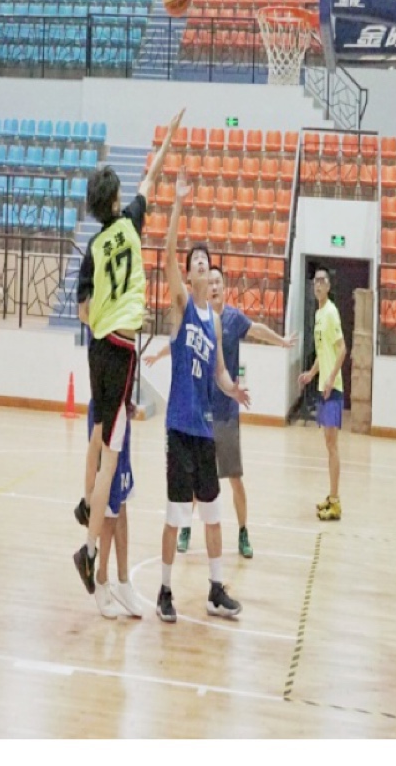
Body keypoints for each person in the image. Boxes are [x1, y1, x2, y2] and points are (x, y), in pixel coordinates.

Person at [72, 107, 184, 597]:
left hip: (98, 346)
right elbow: (151, 176)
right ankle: (88, 549)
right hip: (120, 348)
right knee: (113, 455)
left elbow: (83, 312)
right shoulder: (132, 223)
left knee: (99, 432)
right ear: (117, 201)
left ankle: (85, 503)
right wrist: (168, 137)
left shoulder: (94, 248)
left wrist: (101, 314)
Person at [155, 182, 248, 621]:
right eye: (195, 262)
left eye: (205, 262)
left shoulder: (214, 323)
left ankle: (214, 590)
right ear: (189, 276)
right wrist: (177, 203)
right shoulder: (182, 307)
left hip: (205, 430)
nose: (200, 265)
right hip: (178, 426)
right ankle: (164, 590)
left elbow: (220, 372)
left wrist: (233, 389)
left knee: (212, 514)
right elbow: (168, 251)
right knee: (176, 516)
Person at [176, 266, 293, 560]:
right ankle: (185, 529)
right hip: (201, 415)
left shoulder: (233, 318)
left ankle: (243, 532)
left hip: (226, 414)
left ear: (224, 287)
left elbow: (258, 329)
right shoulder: (198, 320)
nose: (214, 287)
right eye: (210, 282)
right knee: (196, 479)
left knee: (234, 478)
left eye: (218, 282)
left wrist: (281, 341)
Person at [80, 391, 145, 619]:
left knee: (122, 501)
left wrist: (126, 400)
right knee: (109, 507)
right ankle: (102, 579)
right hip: (106, 416)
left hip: (120, 414)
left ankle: (123, 582)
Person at [298, 266, 346, 521]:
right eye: (315, 281)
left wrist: (329, 378)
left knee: (332, 445)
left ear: (328, 286)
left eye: (322, 281)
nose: (317, 285)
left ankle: (335, 502)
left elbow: (342, 350)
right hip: (324, 386)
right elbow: (323, 352)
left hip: (332, 388)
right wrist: (311, 373)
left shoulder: (331, 313)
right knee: (329, 445)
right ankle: (332, 495)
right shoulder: (318, 314)